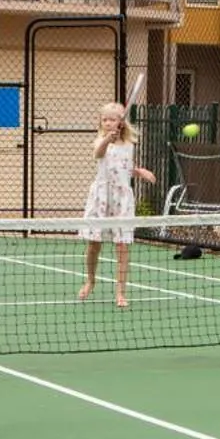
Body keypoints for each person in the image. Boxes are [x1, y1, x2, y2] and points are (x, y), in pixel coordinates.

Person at [77, 101, 155, 308]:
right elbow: (98, 154)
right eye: (105, 119)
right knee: (94, 244)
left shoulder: (129, 145)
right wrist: (107, 140)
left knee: (122, 246)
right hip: (101, 197)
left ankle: (120, 292)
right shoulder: (100, 141)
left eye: (113, 119)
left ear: (121, 122)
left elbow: (124, 168)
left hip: (122, 200)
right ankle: (91, 280)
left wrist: (139, 172)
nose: (109, 122)